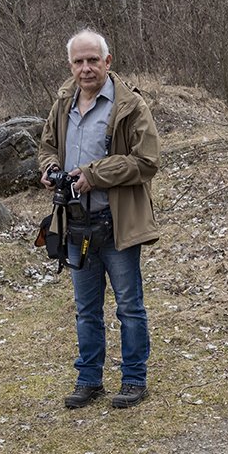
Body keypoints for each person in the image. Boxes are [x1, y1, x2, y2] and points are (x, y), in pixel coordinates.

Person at [38, 28, 160, 410]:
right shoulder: (63, 103)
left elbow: (147, 161)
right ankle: (89, 379)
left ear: (108, 62)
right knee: (86, 309)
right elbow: (46, 147)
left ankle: (134, 380)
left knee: (129, 307)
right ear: (71, 65)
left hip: (116, 222)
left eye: (93, 60)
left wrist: (94, 174)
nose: (86, 68)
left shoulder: (130, 106)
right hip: (74, 224)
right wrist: (49, 167)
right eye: (79, 61)